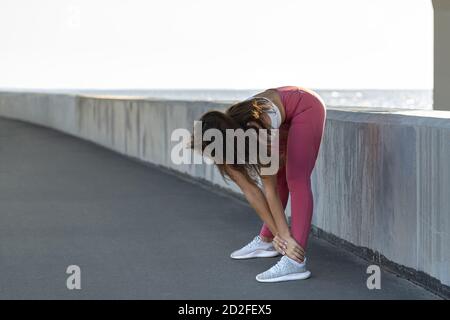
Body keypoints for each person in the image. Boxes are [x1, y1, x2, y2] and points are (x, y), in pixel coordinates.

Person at [192, 86, 326, 282]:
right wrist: (278, 234)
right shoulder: (223, 143)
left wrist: (286, 237)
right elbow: (251, 190)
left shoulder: (257, 128)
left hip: (305, 107)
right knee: (279, 177)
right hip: (281, 114)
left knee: (295, 177)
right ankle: (267, 240)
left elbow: (268, 190)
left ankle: (295, 261)